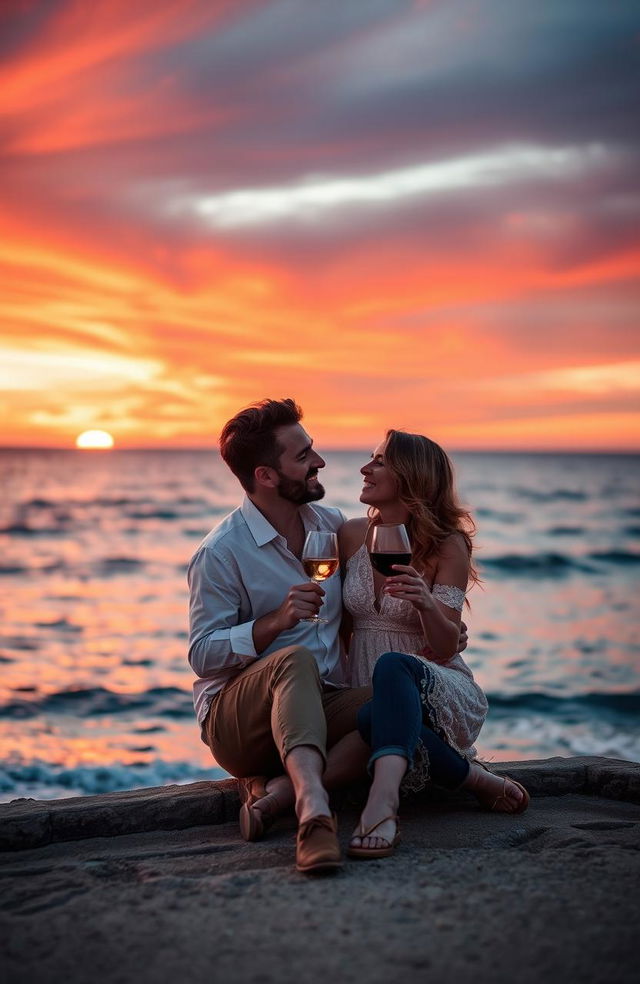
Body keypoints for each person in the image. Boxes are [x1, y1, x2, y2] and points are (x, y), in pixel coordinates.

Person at [187, 398, 376, 874]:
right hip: (238, 724)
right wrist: (274, 622)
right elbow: (202, 655)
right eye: (303, 456)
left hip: (319, 706)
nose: (319, 461)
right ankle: (312, 812)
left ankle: (271, 796)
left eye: (312, 449)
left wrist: (442, 613)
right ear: (266, 476)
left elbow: (397, 545)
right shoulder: (221, 552)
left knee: (404, 696)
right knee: (293, 659)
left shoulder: (330, 526)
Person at [338, 429, 530, 859]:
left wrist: (426, 603)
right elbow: (338, 627)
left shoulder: (448, 545)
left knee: (393, 665)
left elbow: (445, 648)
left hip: (433, 682)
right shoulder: (350, 536)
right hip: (366, 692)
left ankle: (382, 805)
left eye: (380, 460)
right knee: (374, 717)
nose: (365, 469)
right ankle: (476, 780)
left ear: (411, 475)